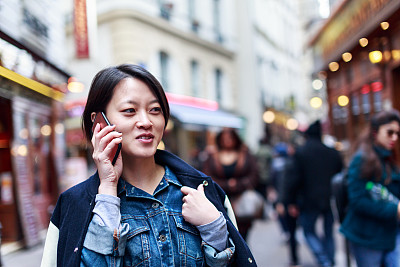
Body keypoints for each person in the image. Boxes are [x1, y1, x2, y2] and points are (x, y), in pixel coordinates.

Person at [40, 64, 256, 267]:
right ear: (99, 122)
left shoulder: (203, 192)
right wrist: (107, 189)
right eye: (129, 111)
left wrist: (214, 228)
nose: (146, 121)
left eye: (154, 110)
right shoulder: (73, 205)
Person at [340, 109, 400, 267]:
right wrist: (395, 210)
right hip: (366, 236)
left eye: (397, 133)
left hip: (389, 234)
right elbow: (358, 201)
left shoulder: (388, 157)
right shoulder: (361, 159)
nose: (394, 137)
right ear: (375, 132)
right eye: (390, 132)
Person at [284, 120, 343, 267]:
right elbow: (340, 176)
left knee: (308, 231)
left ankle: (323, 259)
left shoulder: (301, 153)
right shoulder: (332, 152)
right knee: (328, 232)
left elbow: (294, 179)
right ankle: (329, 260)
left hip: (308, 199)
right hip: (329, 198)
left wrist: (290, 201)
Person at [202, 128, 260, 241]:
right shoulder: (212, 156)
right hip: (219, 200)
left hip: (242, 201)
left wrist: (238, 184)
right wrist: (226, 185)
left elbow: (254, 175)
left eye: (230, 138)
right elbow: (206, 176)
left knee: (243, 237)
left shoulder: (245, 154)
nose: (227, 141)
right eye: (224, 139)